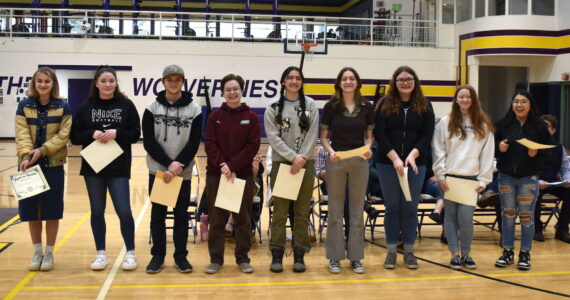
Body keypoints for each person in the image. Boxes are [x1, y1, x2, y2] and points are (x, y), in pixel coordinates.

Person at [70, 66, 141, 271]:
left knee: (124, 211)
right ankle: (101, 253)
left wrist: (117, 133)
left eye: (112, 80)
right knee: (97, 211)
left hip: (118, 166)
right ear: (97, 83)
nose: (108, 84)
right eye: (104, 81)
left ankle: (130, 253)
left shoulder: (126, 105)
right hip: (94, 167)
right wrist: (92, 133)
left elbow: (135, 133)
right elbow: (75, 136)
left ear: (116, 83)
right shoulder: (86, 106)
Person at [142, 64, 202, 274]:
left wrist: (178, 166)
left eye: (178, 80)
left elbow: (194, 143)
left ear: (183, 82)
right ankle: (157, 257)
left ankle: (180, 257)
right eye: (170, 80)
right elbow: (148, 142)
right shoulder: (151, 108)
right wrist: (168, 165)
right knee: (157, 216)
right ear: (163, 82)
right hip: (159, 173)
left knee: (180, 217)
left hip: (182, 174)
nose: (173, 83)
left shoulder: (194, 109)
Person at [374, 65, 435, 269]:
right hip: (387, 164)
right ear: (395, 82)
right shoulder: (384, 104)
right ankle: (391, 251)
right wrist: (395, 158)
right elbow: (380, 135)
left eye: (409, 79)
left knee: (410, 208)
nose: (405, 83)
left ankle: (409, 251)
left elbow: (427, 135)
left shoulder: (425, 105)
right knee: (392, 208)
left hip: (416, 165)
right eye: (401, 80)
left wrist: (412, 155)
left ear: (415, 81)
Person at [432, 85, 495, 270]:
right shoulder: (446, 121)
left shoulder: (483, 123)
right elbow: (438, 150)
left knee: (466, 219)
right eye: (461, 97)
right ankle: (455, 254)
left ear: (473, 99)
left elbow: (488, 153)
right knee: (450, 217)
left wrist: (484, 179)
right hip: (449, 179)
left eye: (468, 97)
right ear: (456, 99)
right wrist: (440, 175)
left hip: (471, 180)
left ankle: (466, 253)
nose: (465, 100)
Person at [15, 67, 71, 271]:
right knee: (32, 212)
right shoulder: (24, 105)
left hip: (53, 165)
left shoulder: (63, 106)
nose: (43, 85)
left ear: (53, 84)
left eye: (47, 81)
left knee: (52, 211)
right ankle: (37, 252)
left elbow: (63, 136)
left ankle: (49, 253)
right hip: (29, 165)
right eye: (39, 81)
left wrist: (43, 150)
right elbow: (21, 134)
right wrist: (26, 155)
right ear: (34, 83)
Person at [203, 74, 260, 274]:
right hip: (216, 175)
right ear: (222, 93)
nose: (232, 93)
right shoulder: (214, 117)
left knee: (242, 219)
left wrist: (233, 165)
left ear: (241, 91)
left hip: (241, 175)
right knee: (217, 219)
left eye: (235, 89)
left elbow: (253, 146)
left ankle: (243, 258)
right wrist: (223, 165)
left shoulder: (250, 117)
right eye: (228, 90)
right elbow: (209, 144)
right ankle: (216, 259)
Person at [264, 66, 319, 273]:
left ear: (302, 82)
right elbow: (273, 137)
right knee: (280, 212)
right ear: (283, 82)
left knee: (302, 212)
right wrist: (292, 157)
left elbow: (313, 134)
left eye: (297, 78)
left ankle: (299, 254)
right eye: (290, 78)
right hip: (282, 164)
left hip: (306, 163)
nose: (294, 81)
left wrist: (301, 158)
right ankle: (277, 254)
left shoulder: (311, 105)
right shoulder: (273, 107)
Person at [320, 67, 374, 274]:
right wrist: (331, 151)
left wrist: (368, 149)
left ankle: (356, 258)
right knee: (335, 212)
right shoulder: (331, 106)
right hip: (336, 160)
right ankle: (334, 257)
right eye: (345, 79)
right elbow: (324, 137)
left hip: (360, 161)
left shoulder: (367, 107)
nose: (349, 81)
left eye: (352, 78)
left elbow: (369, 136)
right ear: (339, 83)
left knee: (356, 212)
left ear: (357, 82)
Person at [494, 90, 551, 271]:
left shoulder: (539, 126)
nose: (519, 105)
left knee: (526, 216)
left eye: (523, 101)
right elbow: (492, 150)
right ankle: (508, 251)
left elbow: (548, 151)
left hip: (529, 177)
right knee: (508, 215)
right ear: (512, 105)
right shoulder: (503, 125)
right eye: (516, 101)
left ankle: (525, 253)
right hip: (506, 176)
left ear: (530, 105)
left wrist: (536, 153)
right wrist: (499, 148)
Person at [533, 115, 570, 243]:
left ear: (553, 130)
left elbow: (565, 169)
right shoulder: (532, 145)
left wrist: (567, 180)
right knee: (535, 192)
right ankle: (537, 228)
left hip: (553, 182)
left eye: (546, 126)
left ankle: (562, 229)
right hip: (535, 182)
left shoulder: (559, 147)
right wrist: (537, 181)